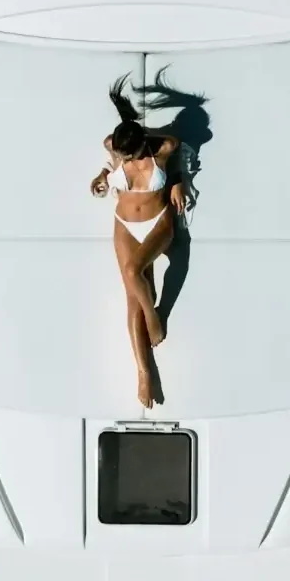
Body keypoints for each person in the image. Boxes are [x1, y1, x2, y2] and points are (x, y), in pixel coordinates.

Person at [90, 74, 186, 409]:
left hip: (158, 223)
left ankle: (154, 317)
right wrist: (102, 176)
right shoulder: (114, 146)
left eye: (129, 155)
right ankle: (144, 373)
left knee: (133, 274)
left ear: (143, 144)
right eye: (121, 155)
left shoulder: (163, 149)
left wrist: (176, 180)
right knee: (131, 296)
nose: (125, 161)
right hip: (125, 224)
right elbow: (109, 167)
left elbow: (175, 151)